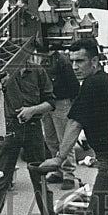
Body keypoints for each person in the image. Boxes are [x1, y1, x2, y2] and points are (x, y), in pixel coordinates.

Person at [39, 37, 108, 215]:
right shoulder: (102, 81)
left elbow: (74, 123)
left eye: (80, 61)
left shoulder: (92, 84)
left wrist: (58, 158)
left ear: (95, 61)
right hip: (105, 158)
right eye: (73, 62)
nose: (75, 66)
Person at [0, 55, 56, 215]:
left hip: (33, 127)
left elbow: (51, 102)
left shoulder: (37, 71)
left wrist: (32, 110)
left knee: (39, 177)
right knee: (0, 179)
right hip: (10, 128)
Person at [41, 50, 82, 190]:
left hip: (61, 101)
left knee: (64, 138)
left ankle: (68, 174)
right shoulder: (43, 59)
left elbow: (73, 84)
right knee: (50, 139)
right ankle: (57, 170)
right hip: (47, 102)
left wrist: (72, 102)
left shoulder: (61, 60)